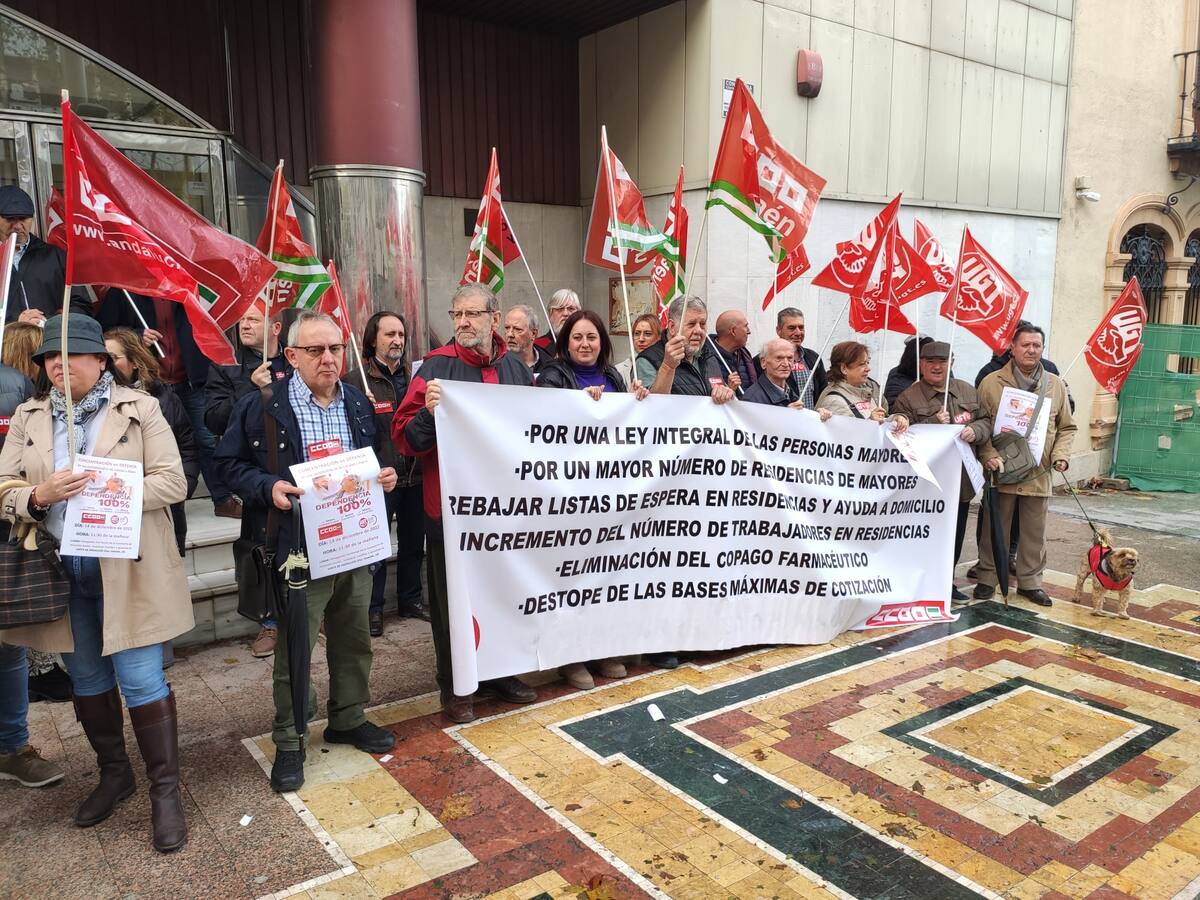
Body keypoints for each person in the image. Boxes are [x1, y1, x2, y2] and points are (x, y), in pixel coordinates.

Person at [0, 314, 192, 851]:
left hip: (127, 569)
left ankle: (165, 792)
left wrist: (104, 492)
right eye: (49, 359)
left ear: (101, 361)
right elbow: (3, 485)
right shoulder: (28, 416)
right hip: (62, 571)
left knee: (141, 681)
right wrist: (40, 497)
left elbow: (173, 481)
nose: (58, 366)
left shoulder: (141, 407)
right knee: (86, 680)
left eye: (70, 355)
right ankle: (115, 773)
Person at [216, 311, 398, 792]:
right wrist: (267, 485)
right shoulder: (263, 406)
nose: (328, 359)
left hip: (353, 544)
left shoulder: (357, 402)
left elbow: (378, 457)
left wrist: (386, 475)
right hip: (297, 548)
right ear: (291, 356)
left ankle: (348, 717)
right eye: (316, 350)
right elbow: (228, 465)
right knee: (295, 648)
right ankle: (291, 740)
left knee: (354, 638)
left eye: (335, 349)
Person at [393, 283, 539, 724]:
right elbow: (404, 438)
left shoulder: (516, 368)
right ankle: (455, 686)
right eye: (457, 315)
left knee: (504, 594)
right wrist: (427, 414)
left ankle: (502, 672)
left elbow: (538, 428)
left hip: (506, 510)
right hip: (451, 512)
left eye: (472, 314)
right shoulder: (436, 367)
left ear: (495, 320)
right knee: (450, 603)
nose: (462, 323)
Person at [537, 309, 646, 689]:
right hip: (572, 496)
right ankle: (569, 658)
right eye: (578, 337)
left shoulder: (614, 375)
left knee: (606, 577)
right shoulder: (553, 376)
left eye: (592, 338)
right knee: (572, 578)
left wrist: (637, 401)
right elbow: (543, 422)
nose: (585, 344)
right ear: (566, 342)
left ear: (603, 342)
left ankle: (603, 648)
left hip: (612, 496)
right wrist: (579, 403)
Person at [99, 291, 240, 520]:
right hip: (152, 384)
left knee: (206, 440)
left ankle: (222, 498)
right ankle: (171, 504)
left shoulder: (184, 286)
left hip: (192, 379)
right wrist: (136, 335)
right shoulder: (125, 289)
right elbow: (104, 329)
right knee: (159, 442)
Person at [204, 302, 289, 657]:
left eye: (254, 319)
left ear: (275, 328)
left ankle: (311, 613)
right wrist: (247, 389)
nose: (245, 325)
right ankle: (268, 622)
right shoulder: (225, 366)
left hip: (292, 467)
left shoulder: (295, 358)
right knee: (263, 550)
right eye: (242, 320)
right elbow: (212, 420)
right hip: (256, 473)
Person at [0, 328, 65, 787]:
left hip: (5, 527)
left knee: (7, 647)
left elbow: (18, 461)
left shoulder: (11, 385)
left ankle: (11, 747)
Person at [972, 322, 1077, 607]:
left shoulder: (1055, 384)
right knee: (994, 528)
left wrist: (1061, 456)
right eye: (1026, 345)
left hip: (1039, 470)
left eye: (1037, 345)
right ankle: (987, 578)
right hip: (1001, 468)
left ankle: (1030, 583)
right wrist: (988, 455)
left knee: (1034, 531)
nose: (1032, 350)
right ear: (1012, 348)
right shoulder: (991, 382)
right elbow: (980, 424)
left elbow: (1066, 427)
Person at [892, 342, 987, 603]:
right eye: (930, 361)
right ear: (921, 364)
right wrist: (933, 424)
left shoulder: (968, 391)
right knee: (924, 534)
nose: (937, 366)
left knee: (954, 535)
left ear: (952, 363)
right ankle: (920, 582)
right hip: (925, 483)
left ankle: (946, 583)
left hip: (960, 480)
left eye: (943, 362)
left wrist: (976, 431)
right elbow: (900, 435)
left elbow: (986, 420)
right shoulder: (908, 397)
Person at [357, 311, 428, 637]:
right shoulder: (356, 380)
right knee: (376, 545)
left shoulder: (418, 376)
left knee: (414, 542)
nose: (397, 340)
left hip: (415, 474)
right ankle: (373, 609)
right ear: (373, 339)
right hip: (379, 478)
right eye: (389, 334)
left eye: (401, 334)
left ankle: (410, 600)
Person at [0, 186, 91, 325]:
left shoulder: (55, 256)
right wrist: (16, 322)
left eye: (23, 218)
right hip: (7, 344)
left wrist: (49, 321)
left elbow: (82, 305)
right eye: (10, 219)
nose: (17, 226)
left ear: (32, 219)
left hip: (50, 341)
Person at [637, 296, 736, 404]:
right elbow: (650, 407)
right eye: (691, 324)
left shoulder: (709, 357)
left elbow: (719, 393)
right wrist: (667, 367)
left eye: (702, 324)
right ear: (672, 327)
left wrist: (725, 393)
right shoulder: (646, 360)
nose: (699, 330)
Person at [818, 341, 908, 432]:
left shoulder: (872, 388)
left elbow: (883, 418)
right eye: (862, 364)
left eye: (867, 363)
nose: (868, 369)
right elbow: (846, 437)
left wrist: (895, 419)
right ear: (844, 369)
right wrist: (870, 422)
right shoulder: (833, 400)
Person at [742, 338, 832, 420]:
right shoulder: (752, 398)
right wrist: (785, 415)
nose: (786, 363)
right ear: (763, 362)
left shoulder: (789, 392)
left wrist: (817, 416)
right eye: (779, 358)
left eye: (789, 358)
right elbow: (754, 434)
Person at [756, 307, 826, 409]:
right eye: (792, 328)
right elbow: (759, 400)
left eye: (801, 327)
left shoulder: (814, 357)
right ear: (778, 330)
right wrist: (786, 411)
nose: (798, 333)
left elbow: (823, 391)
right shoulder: (763, 360)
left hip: (811, 422)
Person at [883, 335, 935, 409]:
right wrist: (911, 393)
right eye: (929, 360)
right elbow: (892, 409)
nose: (936, 366)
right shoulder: (897, 375)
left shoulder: (943, 371)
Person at [711, 310, 757, 393]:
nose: (749, 331)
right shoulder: (707, 358)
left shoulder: (745, 354)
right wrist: (729, 390)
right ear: (733, 331)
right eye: (745, 326)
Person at [614, 313, 660, 389]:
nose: (641, 339)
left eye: (647, 334)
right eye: (637, 334)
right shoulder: (619, 370)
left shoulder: (667, 366)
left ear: (658, 338)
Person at [503, 305, 552, 375]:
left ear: (533, 334)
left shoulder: (549, 365)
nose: (509, 334)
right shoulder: (496, 363)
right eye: (507, 328)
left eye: (517, 329)